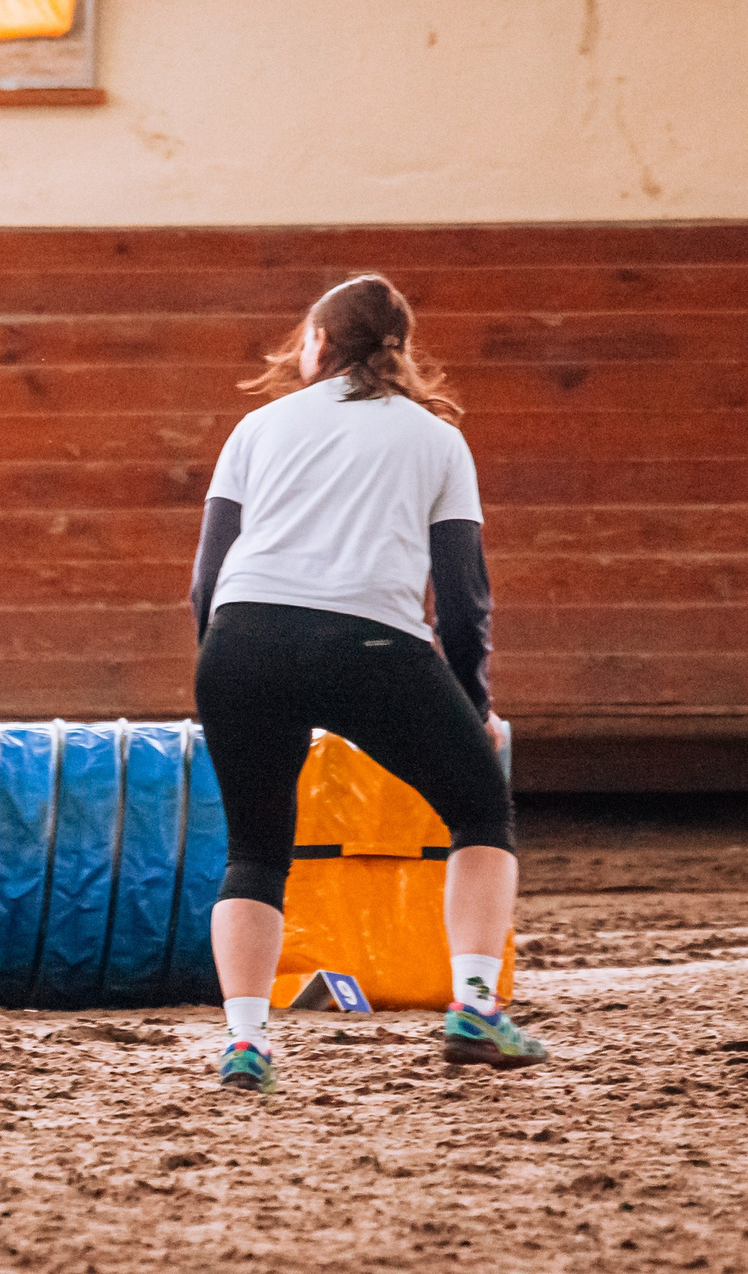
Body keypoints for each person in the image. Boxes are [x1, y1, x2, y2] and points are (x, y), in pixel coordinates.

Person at [190, 273, 549, 1093]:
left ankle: (247, 1044)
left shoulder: (258, 425)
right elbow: (462, 599)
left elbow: (207, 580)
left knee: (255, 847)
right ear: (402, 352)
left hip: (242, 641)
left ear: (317, 343)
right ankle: (473, 1008)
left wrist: (223, 673)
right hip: (371, 642)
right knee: (479, 809)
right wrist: (475, 704)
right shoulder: (436, 440)